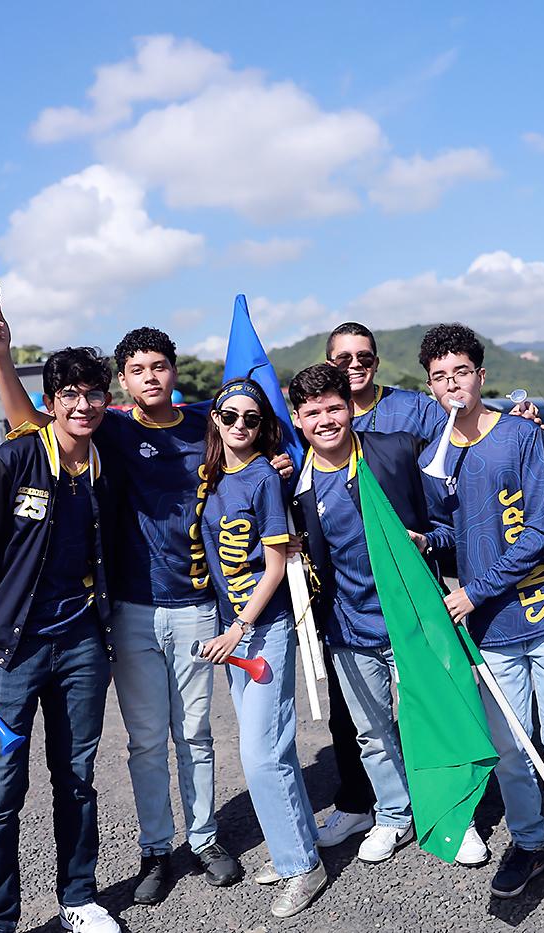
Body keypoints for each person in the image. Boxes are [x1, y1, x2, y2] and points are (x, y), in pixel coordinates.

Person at [0, 306, 246, 901]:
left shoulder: (210, 424)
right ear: (123, 382)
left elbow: (265, 431)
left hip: (198, 605)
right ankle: (157, 849)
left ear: (175, 372)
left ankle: (203, 838)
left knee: (196, 733)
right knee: (147, 738)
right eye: (137, 369)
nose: (150, 377)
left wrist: (277, 459)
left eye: (160, 366)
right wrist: (1, 356)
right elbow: (33, 423)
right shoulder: (112, 428)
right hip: (128, 608)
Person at [417, 323, 544, 900]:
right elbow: (455, 533)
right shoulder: (436, 457)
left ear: (480, 375)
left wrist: (472, 592)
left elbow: (538, 534)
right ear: (431, 387)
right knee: (513, 747)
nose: (453, 385)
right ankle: (528, 841)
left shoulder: (522, 436)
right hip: (492, 631)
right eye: (441, 377)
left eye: (461, 372)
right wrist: (426, 543)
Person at [289, 363, 489, 867]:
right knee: (372, 732)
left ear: (351, 407)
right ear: (297, 418)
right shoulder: (296, 486)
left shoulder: (397, 451)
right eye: (313, 413)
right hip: (349, 629)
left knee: (434, 717)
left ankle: (453, 813)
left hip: (413, 620)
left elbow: (449, 522)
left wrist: (428, 540)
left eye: (335, 407)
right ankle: (395, 815)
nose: (326, 420)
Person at [0, 347, 119, 933]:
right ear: (49, 403)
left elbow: (193, 429)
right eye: (68, 394)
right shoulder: (12, 460)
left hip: (82, 649)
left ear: (106, 398)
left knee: (76, 779)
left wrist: (273, 453)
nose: (82, 405)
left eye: (92, 393)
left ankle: (78, 896)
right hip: (10, 652)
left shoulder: (106, 462)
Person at [196, 377, 326, 918]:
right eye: (231, 416)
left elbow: (275, 566)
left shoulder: (264, 479)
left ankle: (302, 867)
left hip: (261, 630)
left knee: (259, 753)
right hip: (234, 629)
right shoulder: (210, 478)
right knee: (274, 751)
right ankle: (292, 848)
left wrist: (238, 629)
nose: (241, 426)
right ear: (216, 421)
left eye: (252, 418)